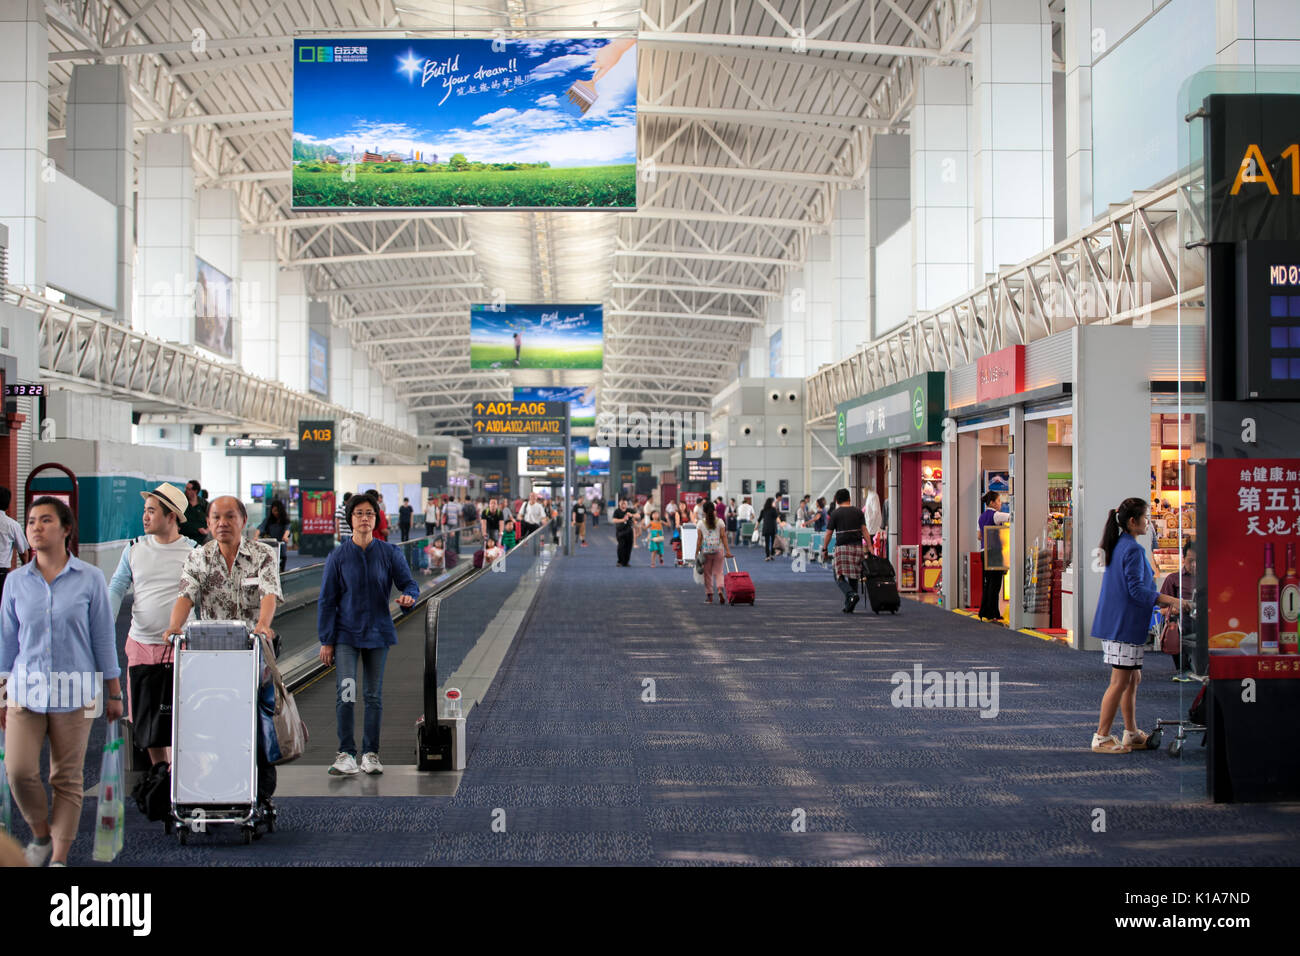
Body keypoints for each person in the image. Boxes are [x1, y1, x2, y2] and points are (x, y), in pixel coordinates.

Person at [0, 497, 122, 867]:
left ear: (66, 529)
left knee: (65, 779)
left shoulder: (90, 578)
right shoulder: (16, 582)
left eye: (46, 520)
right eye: (32, 521)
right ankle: (39, 833)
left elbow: (103, 637)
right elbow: (6, 642)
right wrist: (1, 694)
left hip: (76, 693)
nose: (36, 527)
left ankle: (59, 857)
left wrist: (114, 692)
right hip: (25, 691)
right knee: (19, 772)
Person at [163, 496, 283, 814]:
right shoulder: (198, 557)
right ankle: (212, 785)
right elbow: (186, 595)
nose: (222, 523)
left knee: (256, 718)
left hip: (253, 650)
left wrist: (262, 626)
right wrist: (174, 626)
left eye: (230, 517)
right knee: (212, 718)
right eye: (216, 517)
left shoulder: (262, 554)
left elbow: (269, 593)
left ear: (243, 520)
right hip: (210, 654)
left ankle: (261, 787)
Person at [317, 493, 418, 776]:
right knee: (346, 694)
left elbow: (409, 585)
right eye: (359, 513)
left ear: (376, 518)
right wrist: (326, 639)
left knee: (373, 695)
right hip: (346, 634)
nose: (364, 518)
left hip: (377, 633)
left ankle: (371, 753)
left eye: (369, 514)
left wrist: (409, 598)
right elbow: (326, 600)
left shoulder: (389, 553)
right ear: (351, 519)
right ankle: (346, 753)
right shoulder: (338, 556)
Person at [1090, 497, 1190, 755]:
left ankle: (1131, 732)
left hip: (1121, 623)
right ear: (1133, 521)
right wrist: (1173, 600)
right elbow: (1137, 591)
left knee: (1132, 678)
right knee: (1121, 680)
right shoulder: (1131, 549)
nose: (1150, 523)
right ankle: (1101, 737)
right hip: (1123, 625)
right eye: (1146, 518)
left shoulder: (1121, 544)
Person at [107, 482, 195, 769]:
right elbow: (118, 586)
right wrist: (105, 621)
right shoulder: (133, 549)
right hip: (141, 644)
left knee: (179, 712)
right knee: (144, 715)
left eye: (152, 511)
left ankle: (176, 771)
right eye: (144, 511)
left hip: (181, 647)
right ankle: (160, 771)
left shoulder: (193, 552)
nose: (145, 517)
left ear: (172, 516)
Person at [821, 489, 866, 613]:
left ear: (837, 500)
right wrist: (870, 547)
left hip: (842, 548)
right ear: (849, 498)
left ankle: (851, 594)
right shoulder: (858, 511)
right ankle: (849, 605)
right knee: (854, 576)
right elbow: (864, 530)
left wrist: (824, 548)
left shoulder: (836, 513)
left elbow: (829, 533)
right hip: (857, 547)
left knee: (838, 575)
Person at [1159, 538, 1197, 681]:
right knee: (1177, 624)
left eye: (1197, 560)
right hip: (1183, 620)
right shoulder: (1174, 579)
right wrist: (1176, 609)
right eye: (1190, 560)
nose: (1194, 565)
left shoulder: (1209, 578)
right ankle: (1183, 668)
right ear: (1183, 558)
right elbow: (1162, 610)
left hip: (1205, 619)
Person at [977, 491, 1012, 622]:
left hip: (983, 552)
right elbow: (1011, 517)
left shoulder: (981, 517)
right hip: (995, 553)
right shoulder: (996, 515)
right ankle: (992, 613)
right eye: (998, 501)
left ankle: (987, 611)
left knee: (988, 583)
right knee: (995, 585)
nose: (1000, 503)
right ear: (992, 503)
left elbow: (979, 536)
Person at [697, 499, 734, 604]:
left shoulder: (700, 523)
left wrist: (696, 552)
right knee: (719, 572)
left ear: (704, 511)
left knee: (707, 573)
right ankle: (720, 590)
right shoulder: (720, 522)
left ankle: (709, 596)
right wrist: (728, 551)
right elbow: (724, 537)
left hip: (706, 551)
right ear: (714, 510)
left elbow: (699, 539)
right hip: (718, 550)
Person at [0, 486, 29, 595]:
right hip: (2, 575)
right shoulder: (12, 525)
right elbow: (24, 553)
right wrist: (24, 571)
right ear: (7, 505)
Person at [258, 498, 291, 572]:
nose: (275, 512)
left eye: (277, 510)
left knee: (282, 568)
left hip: (281, 547)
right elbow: (260, 528)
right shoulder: (268, 520)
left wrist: (285, 536)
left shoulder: (285, 520)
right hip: (270, 546)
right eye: (274, 510)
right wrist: (255, 536)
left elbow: (287, 529)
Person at [178, 479, 209, 545]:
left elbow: (212, 518)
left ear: (195, 491)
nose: (186, 491)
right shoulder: (182, 503)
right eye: (186, 488)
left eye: (188, 489)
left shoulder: (204, 504)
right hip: (185, 539)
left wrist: (207, 531)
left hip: (201, 540)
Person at [613, 497, 636, 567]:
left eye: (625, 503)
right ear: (619, 503)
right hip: (620, 531)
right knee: (621, 546)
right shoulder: (617, 511)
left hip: (629, 531)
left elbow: (638, 516)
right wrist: (623, 520)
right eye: (622, 503)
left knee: (629, 547)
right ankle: (620, 561)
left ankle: (626, 562)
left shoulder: (630, 510)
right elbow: (614, 520)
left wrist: (631, 515)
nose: (623, 504)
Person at [758, 497, 779, 561]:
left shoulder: (763, 510)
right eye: (773, 502)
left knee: (767, 543)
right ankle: (772, 555)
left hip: (766, 528)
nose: (774, 503)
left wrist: (756, 527)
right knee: (773, 542)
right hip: (772, 527)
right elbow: (777, 517)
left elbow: (759, 519)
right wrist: (781, 523)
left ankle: (767, 556)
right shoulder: (773, 510)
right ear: (771, 503)